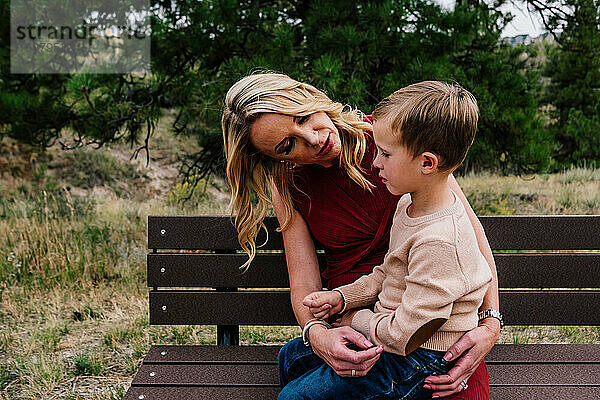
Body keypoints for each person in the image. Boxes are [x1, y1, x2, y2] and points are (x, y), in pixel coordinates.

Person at [222, 72, 502, 399]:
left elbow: (471, 245)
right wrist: (317, 333)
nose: (312, 138)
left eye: (302, 116)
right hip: (355, 321)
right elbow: (305, 283)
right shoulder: (287, 181)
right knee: (293, 362)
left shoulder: (394, 139)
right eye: (288, 144)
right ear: (274, 159)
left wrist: (489, 325)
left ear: (310, 97)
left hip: (425, 329)